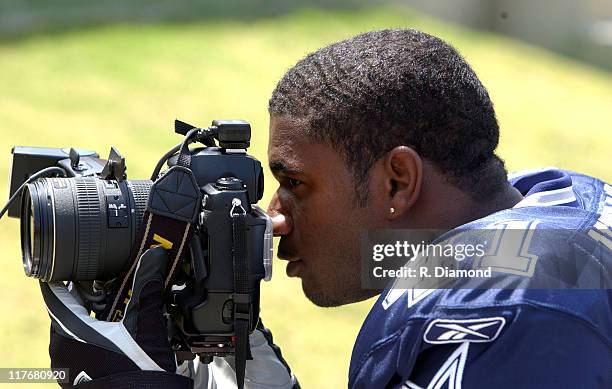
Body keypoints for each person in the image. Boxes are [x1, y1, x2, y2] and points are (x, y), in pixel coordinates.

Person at [42, 29, 611, 388]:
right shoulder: (555, 207)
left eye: (294, 183)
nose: (274, 216)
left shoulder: (489, 316)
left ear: (398, 181)